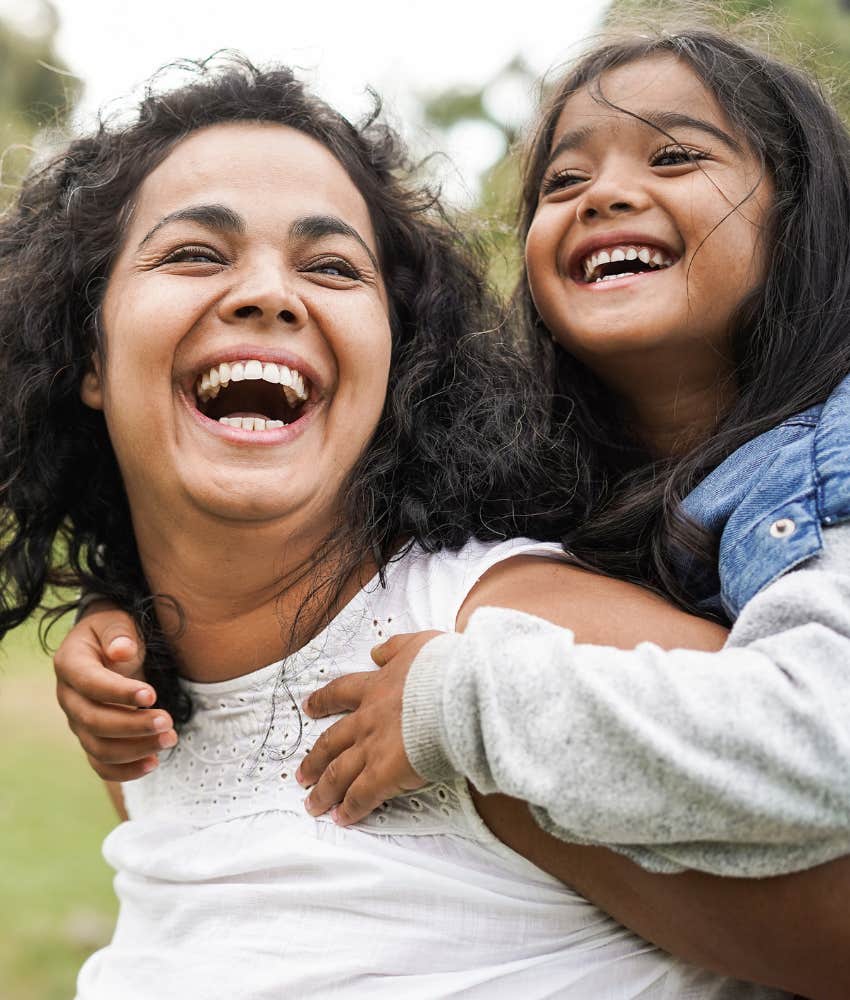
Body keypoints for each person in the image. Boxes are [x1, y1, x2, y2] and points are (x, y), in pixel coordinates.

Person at [1, 56, 803, 998]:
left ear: (395, 364)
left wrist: (478, 728)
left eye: (333, 266)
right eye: (193, 254)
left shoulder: (506, 654)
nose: (269, 293)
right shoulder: (139, 705)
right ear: (85, 352)